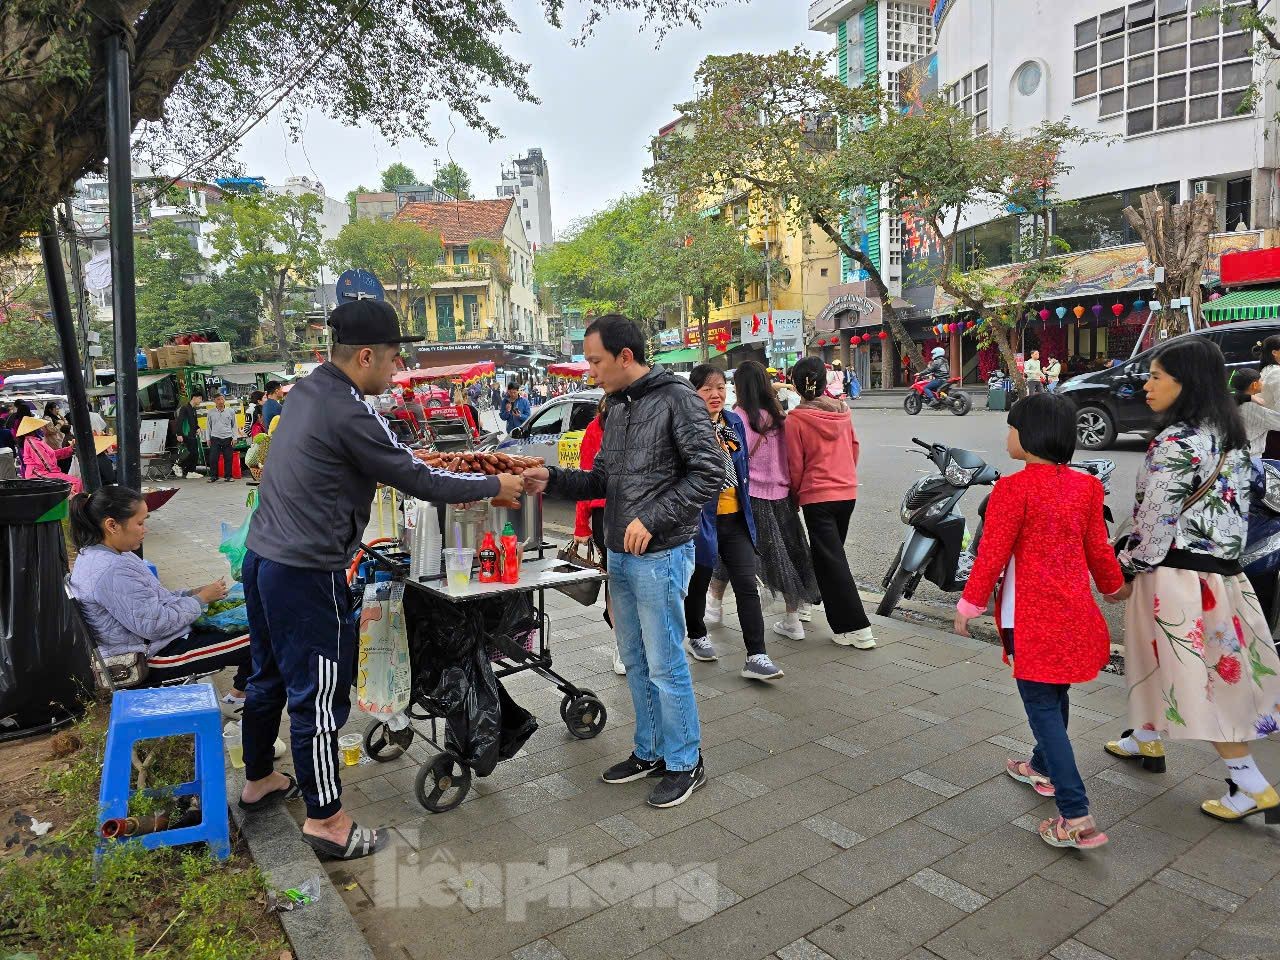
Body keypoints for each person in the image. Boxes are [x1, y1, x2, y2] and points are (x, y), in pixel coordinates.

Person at [238, 299, 522, 860]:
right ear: (365, 355)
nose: (397, 369)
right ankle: (328, 822)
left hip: (263, 557)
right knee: (316, 698)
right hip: (304, 570)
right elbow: (416, 478)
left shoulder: (307, 391)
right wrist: (494, 490)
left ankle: (258, 780)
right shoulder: (348, 410)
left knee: (267, 675)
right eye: (393, 357)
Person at [522, 315, 722, 808]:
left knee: (665, 661)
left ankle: (685, 760)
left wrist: (652, 518)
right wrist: (550, 478)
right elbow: (601, 480)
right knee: (634, 659)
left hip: (662, 553)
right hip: (620, 553)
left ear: (625, 357)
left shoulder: (677, 400)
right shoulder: (614, 407)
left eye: (596, 361)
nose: (591, 372)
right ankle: (650, 750)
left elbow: (711, 472)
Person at [1110, 336, 1280, 824]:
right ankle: (1144, 737)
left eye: (1157, 375)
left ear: (1187, 384)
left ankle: (1248, 782)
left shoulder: (1176, 442)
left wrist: (1126, 570)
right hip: (1221, 578)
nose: (1147, 383)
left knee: (1200, 678)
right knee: (1157, 660)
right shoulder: (1230, 438)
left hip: (1175, 580)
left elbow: (1154, 522)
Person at [955, 394, 1124, 850]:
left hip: (1028, 618)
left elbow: (992, 553)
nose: (1007, 435)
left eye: (1011, 427)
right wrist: (1113, 588)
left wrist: (968, 604)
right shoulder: (1087, 488)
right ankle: (1042, 766)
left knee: (1041, 704)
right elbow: (1099, 550)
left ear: (1029, 436)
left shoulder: (1012, 490)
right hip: (1073, 614)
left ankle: (1075, 814)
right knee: (1056, 691)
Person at [68, 485, 252, 695]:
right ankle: (239, 700)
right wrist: (200, 600)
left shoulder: (106, 555)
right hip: (150, 660)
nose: (144, 529)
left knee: (256, 628)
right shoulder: (111, 569)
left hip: (155, 643)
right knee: (263, 637)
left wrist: (192, 594)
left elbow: (154, 600)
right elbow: (154, 625)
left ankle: (238, 698)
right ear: (112, 525)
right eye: (139, 522)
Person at [706, 360, 819, 641]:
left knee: (729, 553)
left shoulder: (737, 418)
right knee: (789, 554)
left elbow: (728, 460)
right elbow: (793, 459)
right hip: (781, 495)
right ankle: (794, 618)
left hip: (748, 497)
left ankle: (714, 607)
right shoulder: (781, 417)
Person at [682, 364, 782, 681]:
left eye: (721, 387)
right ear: (693, 393)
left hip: (736, 518)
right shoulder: (684, 428)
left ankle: (757, 656)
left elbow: (738, 464)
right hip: (701, 521)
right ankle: (696, 634)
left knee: (746, 586)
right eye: (707, 388)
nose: (716, 394)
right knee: (698, 583)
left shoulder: (731, 422)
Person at [785, 357, 875, 649]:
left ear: (796, 386)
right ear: (826, 383)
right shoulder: (843, 411)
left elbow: (795, 465)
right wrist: (845, 476)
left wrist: (796, 496)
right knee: (828, 556)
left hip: (817, 497)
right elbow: (855, 448)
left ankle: (856, 628)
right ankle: (808, 602)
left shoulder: (796, 420)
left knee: (832, 560)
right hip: (846, 493)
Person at [573, 395, 624, 675]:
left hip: (639, 513)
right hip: (605, 515)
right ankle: (621, 642)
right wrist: (581, 526)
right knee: (614, 578)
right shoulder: (595, 429)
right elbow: (585, 477)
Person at [16, 417, 81, 493]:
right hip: (39, 474)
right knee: (75, 483)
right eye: (40, 427)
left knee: (75, 482)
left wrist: (69, 449)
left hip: (44, 472)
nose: (42, 428)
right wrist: (58, 474)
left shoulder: (36, 441)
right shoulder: (32, 442)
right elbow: (44, 462)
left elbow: (52, 454)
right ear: (34, 430)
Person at [1230, 368, 1280, 456]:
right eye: (1261, 381)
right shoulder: (1255, 409)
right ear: (1254, 385)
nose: (1263, 383)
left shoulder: (1229, 404)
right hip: (1251, 458)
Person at [1255, 334, 1280, 460]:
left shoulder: (1267, 370)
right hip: (1275, 433)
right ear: (1275, 352)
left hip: (1267, 432)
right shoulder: (1276, 372)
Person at [205, 393, 238, 483]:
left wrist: (235, 437)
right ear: (214, 401)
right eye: (218, 399)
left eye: (222, 399)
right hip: (215, 438)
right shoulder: (210, 412)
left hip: (228, 437)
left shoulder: (230, 411)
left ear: (224, 400)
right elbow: (208, 426)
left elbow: (234, 425)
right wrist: (208, 438)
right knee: (213, 458)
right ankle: (213, 476)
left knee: (228, 458)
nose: (220, 401)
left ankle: (228, 476)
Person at [175, 393, 203, 479]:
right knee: (192, 453)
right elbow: (180, 421)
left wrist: (197, 428)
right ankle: (179, 465)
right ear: (194, 398)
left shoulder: (193, 409)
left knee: (195, 454)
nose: (201, 401)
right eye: (200, 398)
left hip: (192, 434)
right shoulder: (185, 408)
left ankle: (191, 472)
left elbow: (194, 422)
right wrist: (179, 434)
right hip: (186, 434)